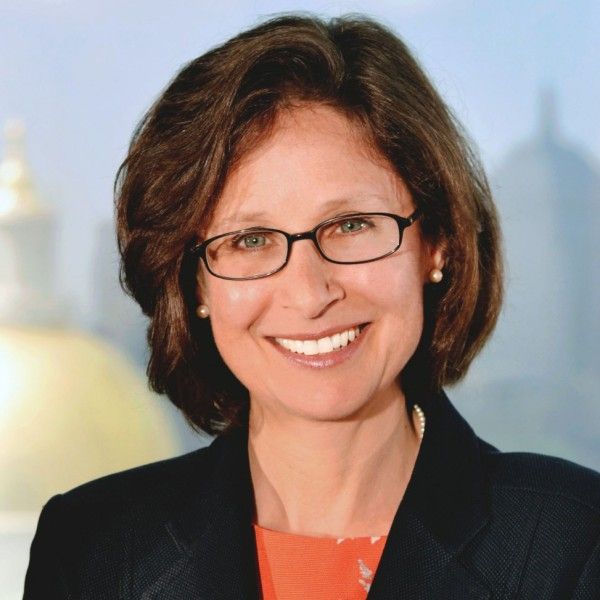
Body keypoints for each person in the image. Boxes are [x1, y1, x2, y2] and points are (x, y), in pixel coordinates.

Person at [24, 14, 599, 599]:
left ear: (437, 244)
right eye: (250, 239)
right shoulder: (94, 551)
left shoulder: (573, 543)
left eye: (351, 225)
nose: (309, 291)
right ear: (195, 284)